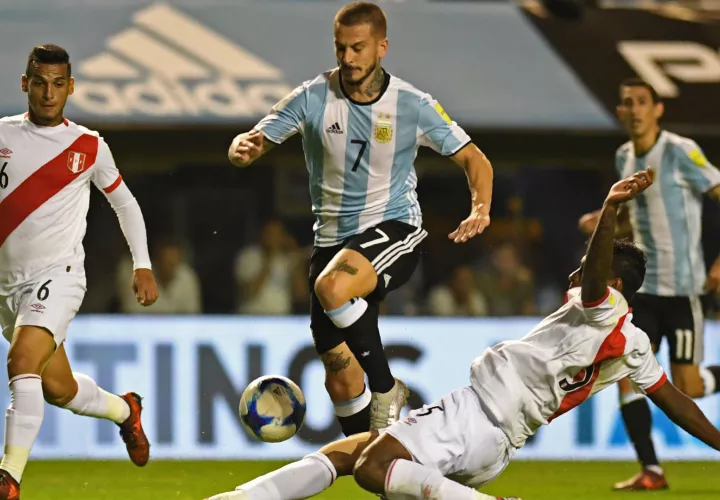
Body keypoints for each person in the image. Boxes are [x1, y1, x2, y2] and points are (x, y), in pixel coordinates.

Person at [204, 170, 720, 500]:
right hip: (490, 434)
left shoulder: (603, 307)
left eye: (587, 266)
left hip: (479, 417)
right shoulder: (631, 342)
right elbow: (676, 401)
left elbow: (594, 281)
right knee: (346, 454)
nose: (575, 273)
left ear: (610, 280)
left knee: (369, 466)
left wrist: (609, 209)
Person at [227, 2, 493, 436]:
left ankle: (389, 389)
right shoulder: (313, 96)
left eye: (358, 48)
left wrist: (480, 206)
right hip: (331, 243)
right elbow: (256, 136)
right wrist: (243, 148)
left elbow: (474, 159)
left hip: (393, 231)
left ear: (381, 47)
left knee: (332, 287)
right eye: (340, 48)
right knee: (341, 374)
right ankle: (373, 464)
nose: (348, 58)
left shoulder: (412, 104)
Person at [0, 44, 158, 499]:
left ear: (71, 87)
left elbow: (124, 203)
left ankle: (9, 477)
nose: (48, 93)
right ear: (25, 84)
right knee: (57, 387)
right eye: (39, 82)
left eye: (57, 84)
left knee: (21, 362)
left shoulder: (87, 145)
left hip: (59, 274)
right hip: (6, 286)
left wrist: (142, 264)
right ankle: (126, 411)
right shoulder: (4, 135)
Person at [578, 78, 720, 491]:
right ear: (620, 112)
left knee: (688, 385)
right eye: (627, 103)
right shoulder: (625, 157)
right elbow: (633, 217)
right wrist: (603, 218)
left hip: (684, 289)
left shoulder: (680, 152)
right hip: (642, 292)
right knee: (625, 373)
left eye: (642, 102)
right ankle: (651, 470)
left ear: (658, 109)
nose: (635, 110)